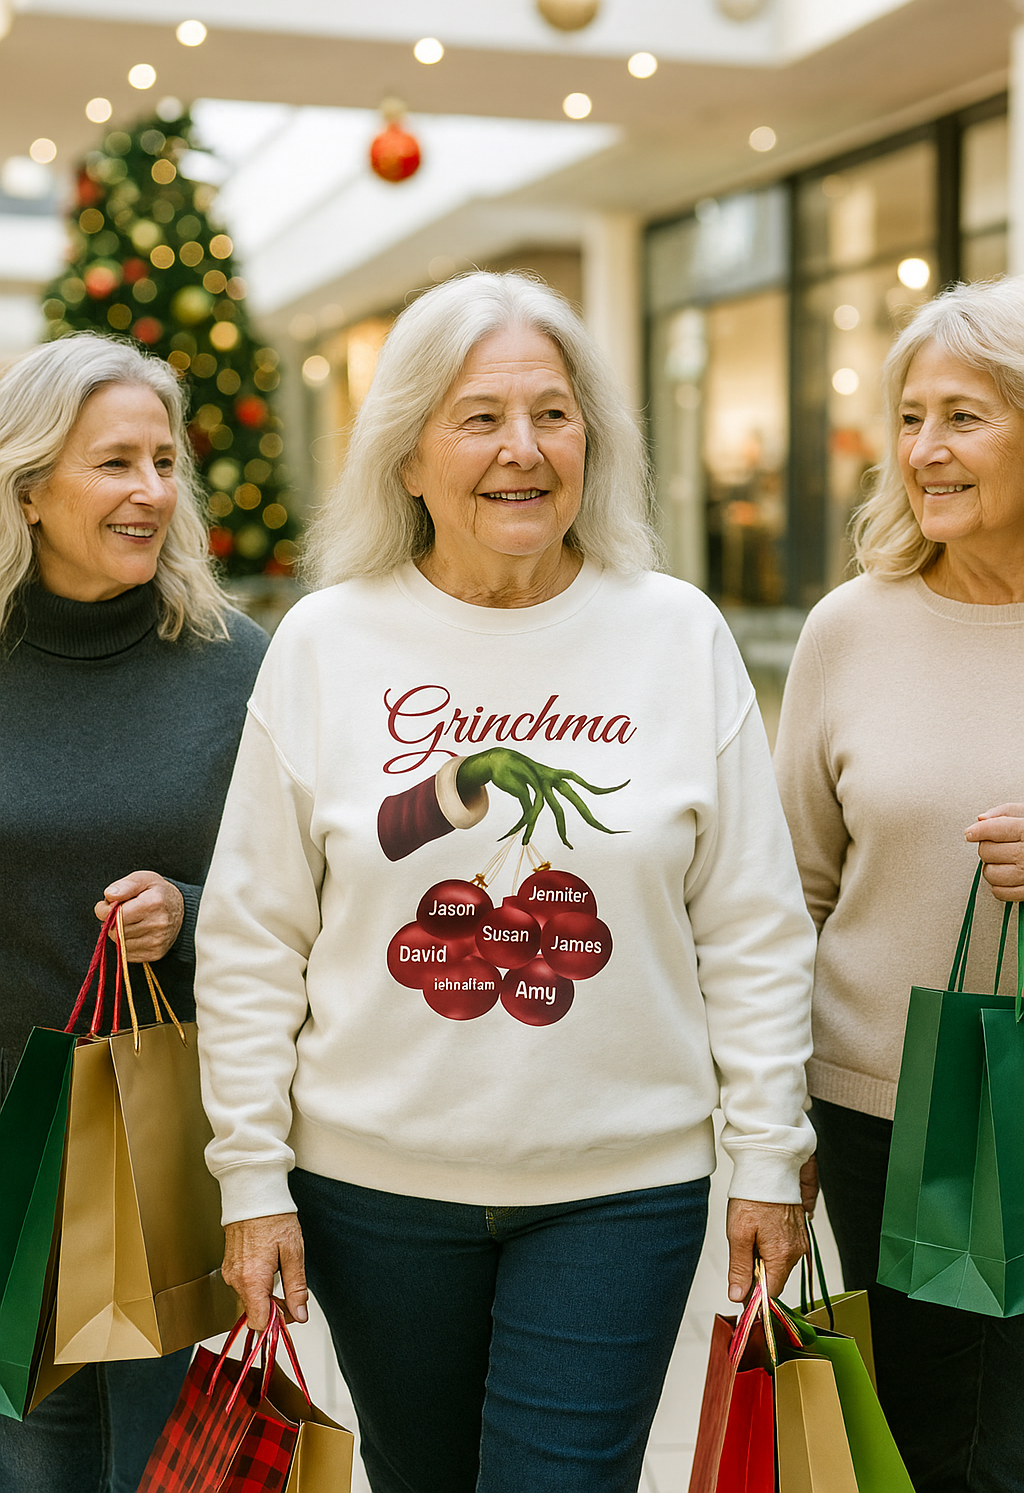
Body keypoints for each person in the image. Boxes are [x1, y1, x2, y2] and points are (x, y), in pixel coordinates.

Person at [195, 271, 816, 1493]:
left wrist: (764, 1151)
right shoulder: (326, 643)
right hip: (372, 1187)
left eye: (553, 414)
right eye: (478, 417)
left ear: (593, 441)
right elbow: (255, 932)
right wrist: (251, 1178)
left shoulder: (677, 635)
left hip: (621, 1189)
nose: (522, 449)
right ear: (408, 457)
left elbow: (751, 922)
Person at [0, 332, 268, 1492]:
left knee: (165, 1469)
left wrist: (189, 911)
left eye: (164, 462)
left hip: (174, 1145)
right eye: (115, 463)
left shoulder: (234, 663)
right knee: (34, 1462)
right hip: (11, 1153)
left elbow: (306, 888)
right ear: (28, 489)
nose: (152, 490)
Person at [774, 275, 1024, 1493]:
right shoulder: (850, 630)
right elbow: (790, 896)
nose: (924, 450)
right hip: (905, 1108)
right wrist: (771, 1125)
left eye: (963, 417)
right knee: (946, 1444)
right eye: (911, 417)